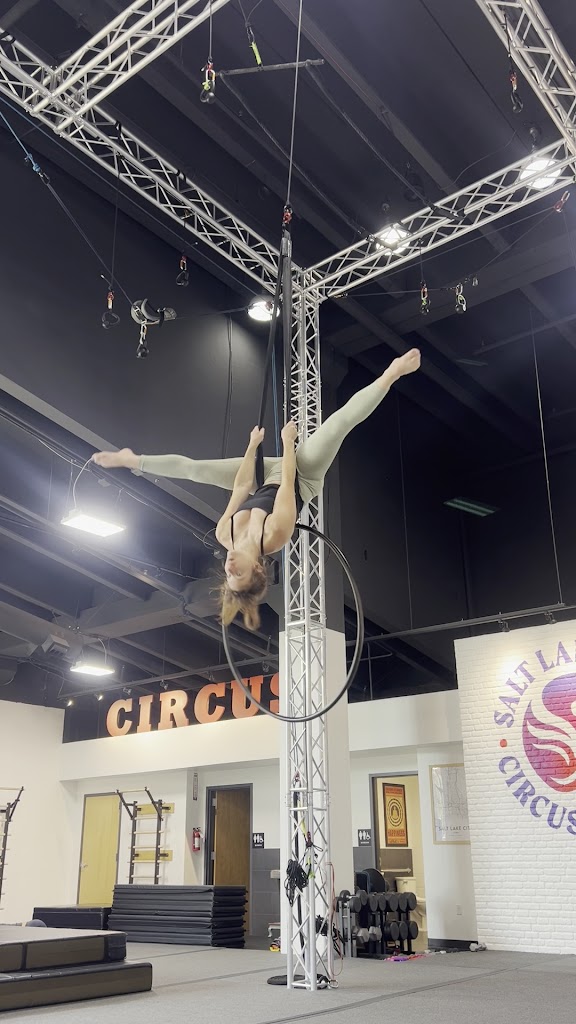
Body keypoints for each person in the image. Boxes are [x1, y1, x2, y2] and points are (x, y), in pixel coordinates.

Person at [92, 348, 421, 629]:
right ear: (258, 568)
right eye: (239, 573)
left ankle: (134, 460)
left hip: (264, 478)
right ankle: (392, 373)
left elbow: (242, 486)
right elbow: (288, 483)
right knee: (337, 425)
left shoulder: (225, 534)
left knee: (197, 470)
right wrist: (288, 443)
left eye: (228, 574)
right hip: (301, 476)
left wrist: (252, 446)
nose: (229, 568)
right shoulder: (275, 536)